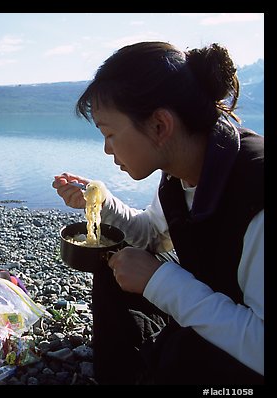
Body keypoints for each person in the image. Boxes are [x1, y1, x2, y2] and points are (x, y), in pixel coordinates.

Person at [52, 42, 263, 385]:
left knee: (183, 359)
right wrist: (102, 202)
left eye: (110, 134)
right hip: (223, 301)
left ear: (160, 125)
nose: (107, 149)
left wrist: (160, 282)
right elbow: (152, 234)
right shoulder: (183, 169)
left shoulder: (256, 192)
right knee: (114, 265)